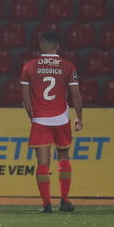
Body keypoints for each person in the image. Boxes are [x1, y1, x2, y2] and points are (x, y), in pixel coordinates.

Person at [20, 31, 83, 213]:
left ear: (41, 44)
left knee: (42, 163)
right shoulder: (68, 66)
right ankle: (64, 200)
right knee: (63, 156)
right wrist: (79, 117)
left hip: (40, 118)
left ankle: (46, 203)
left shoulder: (29, 66)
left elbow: (25, 96)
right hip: (61, 118)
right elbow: (76, 94)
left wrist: (31, 115)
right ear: (58, 46)